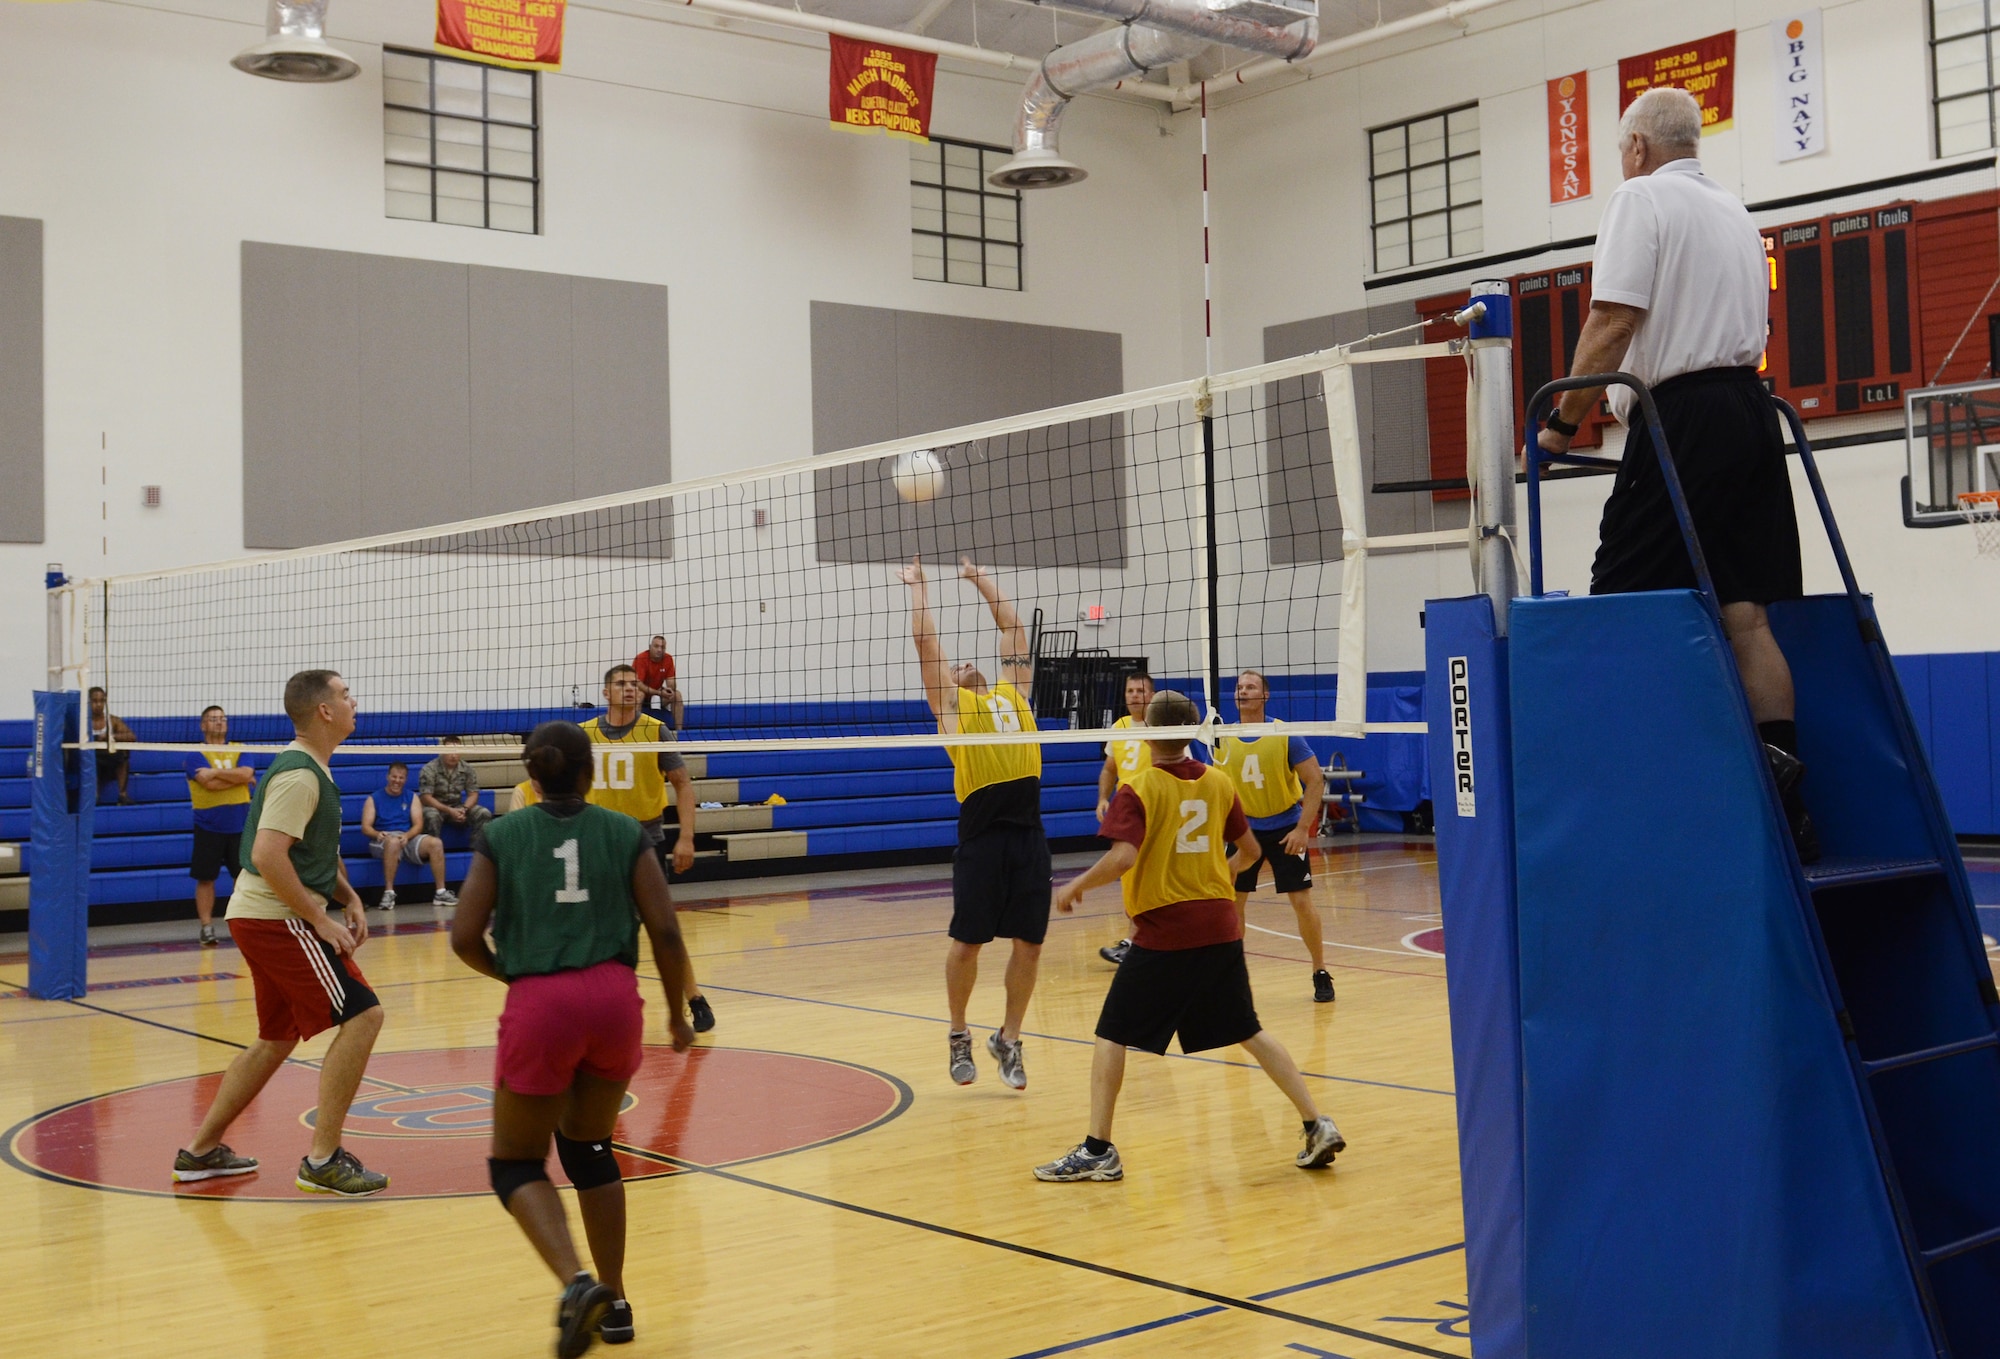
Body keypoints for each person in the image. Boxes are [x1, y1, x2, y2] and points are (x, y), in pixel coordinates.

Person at [1536, 86, 1818, 862]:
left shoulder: (1639, 198)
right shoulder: (1736, 211)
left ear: (1635, 148)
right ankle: (1787, 808)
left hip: (1682, 419)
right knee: (1746, 616)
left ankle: (1623, 795)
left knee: (1614, 601)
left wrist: (1559, 425)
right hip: (1753, 414)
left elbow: (1613, 318)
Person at [451, 722, 697, 1358]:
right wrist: (677, 1014)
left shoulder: (502, 834)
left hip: (541, 1003)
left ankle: (576, 1283)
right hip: (616, 1000)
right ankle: (615, 1301)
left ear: (532, 778)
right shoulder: (622, 832)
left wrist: (517, 973)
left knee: (515, 1164)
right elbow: (666, 932)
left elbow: (462, 936)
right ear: (590, 773)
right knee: (590, 1151)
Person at [1037, 689, 1345, 1182]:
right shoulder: (1219, 782)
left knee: (1112, 1033)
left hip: (1167, 930)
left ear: (1149, 732)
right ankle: (1316, 1123)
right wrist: (1211, 878)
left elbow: (1123, 857)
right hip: (1219, 924)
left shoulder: (1138, 789)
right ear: (1194, 729)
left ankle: (1098, 1150)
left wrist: (1075, 885)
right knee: (1247, 1029)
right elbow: (1250, 852)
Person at [171, 670, 390, 1197]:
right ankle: (323, 1160)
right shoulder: (300, 775)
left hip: (261, 915)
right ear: (323, 711)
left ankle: (200, 1153)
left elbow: (307, 852)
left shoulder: (313, 769)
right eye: (344, 695)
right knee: (364, 1016)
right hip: (278, 918)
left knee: (276, 1038)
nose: (353, 701)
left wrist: (349, 897)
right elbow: (270, 855)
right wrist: (319, 919)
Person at [897, 555, 1046, 1091]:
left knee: (1029, 944)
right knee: (968, 943)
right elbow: (926, 647)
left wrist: (980, 578)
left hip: (1030, 832)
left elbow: (1012, 627)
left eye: (965, 664)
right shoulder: (953, 711)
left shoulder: (1014, 693)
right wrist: (919, 589)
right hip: (983, 836)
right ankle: (959, 1034)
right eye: (956, 667)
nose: (961, 664)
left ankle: (1009, 1037)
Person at [584, 665, 714, 1033]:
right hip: (599, 841)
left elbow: (683, 784)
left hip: (645, 841)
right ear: (606, 693)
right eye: (621, 685)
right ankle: (595, 1002)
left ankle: (695, 998)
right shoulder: (584, 735)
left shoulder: (656, 730)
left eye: (633, 685)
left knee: (664, 928)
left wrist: (686, 837)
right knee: (596, 928)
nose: (630, 689)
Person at [1217, 670, 1334, 1003]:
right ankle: (1233, 977)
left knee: (1301, 901)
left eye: (1250, 686)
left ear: (1265, 695)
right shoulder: (1222, 736)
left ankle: (1320, 970)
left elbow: (1315, 781)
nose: (1243, 691)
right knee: (1233, 902)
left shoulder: (1285, 734)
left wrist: (1302, 829)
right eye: (1239, 687)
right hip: (1244, 832)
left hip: (1285, 828)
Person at [1095, 672, 1209, 966]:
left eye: (1140, 691)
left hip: (1159, 809)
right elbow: (1110, 768)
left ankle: (1140, 941)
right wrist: (1103, 799)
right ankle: (1135, 939)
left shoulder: (1163, 728)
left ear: (1152, 696)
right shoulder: (1119, 727)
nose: (1134, 695)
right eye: (1130, 690)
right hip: (1129, 812)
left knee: (1152, 877)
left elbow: (1185, 766)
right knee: (1131, 878)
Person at [186, 704, 257, 947]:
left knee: (243, 878)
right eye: (213, 719)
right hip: (208, 825)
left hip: (239, 824)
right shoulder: (195, 754)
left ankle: (243, 925)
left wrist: (216, 773)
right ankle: (206, 927)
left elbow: (246, 773)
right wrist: (239, 780)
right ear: (203, 725)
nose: (219, 722)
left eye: (222, 718)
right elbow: (209, 785)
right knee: (206, 879)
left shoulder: (239, 749)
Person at [361, 762, 454, 910]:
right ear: (388, 777)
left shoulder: (411, 797)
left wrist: (407, 835)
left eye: (401, 778)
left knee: (435, 843)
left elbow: (418, 824)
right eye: (394, 777)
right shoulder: (374, 798)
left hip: (405, 836)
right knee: (392, 843)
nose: (397, 781)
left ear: (405, 779)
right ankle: (389, 893)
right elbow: (365, 827)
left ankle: (440, 892)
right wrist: (377, 833)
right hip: (383, 839)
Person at [419, 735, 495, 840]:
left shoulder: (467, 768)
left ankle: (478, 851)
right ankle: (432, 850)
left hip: (458, 806)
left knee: (483, 813)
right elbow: (425, 798)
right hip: (436, 807)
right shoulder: (429, 769)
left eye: (457, 751)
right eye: (450, 751)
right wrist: (449, 810)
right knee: (431, 816)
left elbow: (473, 794)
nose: (454, 755)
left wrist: (464, 809)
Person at [88, 686, 136, 805]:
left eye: (102, 701)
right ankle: (94, 796)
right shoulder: (83, 722)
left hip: (109, 761)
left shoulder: (112, 721)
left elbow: (131, 736)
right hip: (91, 761)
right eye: (95, 701)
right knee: (89, 760)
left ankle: (123, 795)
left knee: (124, 755)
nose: (98, 704)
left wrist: (110, 736)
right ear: (88, 702)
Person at [632, 635, 683, 731]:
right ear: (650, 647)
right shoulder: (641, 658)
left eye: (662, 647)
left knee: (677, 695)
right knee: (639, 694)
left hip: (657, 694)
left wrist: (670, 689)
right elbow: (638, 685)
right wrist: (659, 692)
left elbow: (671, 682)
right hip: (643, 693)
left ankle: (679, 733)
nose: (659, 650)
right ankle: (636, 731)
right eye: (656, 646)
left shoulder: (668, 658)